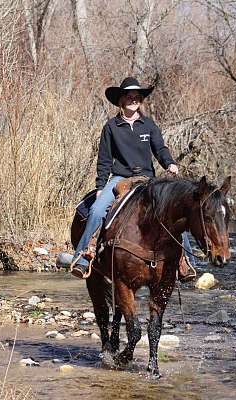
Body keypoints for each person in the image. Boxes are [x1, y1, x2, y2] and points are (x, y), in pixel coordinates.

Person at [71, 77, 196, 280]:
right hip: (120, 178)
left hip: (147, 179)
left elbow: (160, 149)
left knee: (174, 211)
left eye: (137, 96)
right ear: (121, 100)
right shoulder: (111, 127)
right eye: (129, 96)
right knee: (96, 210)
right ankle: (84, 257)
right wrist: (101, 186)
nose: (133, 99)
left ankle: (186, 262)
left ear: (141, 100)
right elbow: (104, 159)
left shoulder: (148, 125)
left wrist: (169, 163)